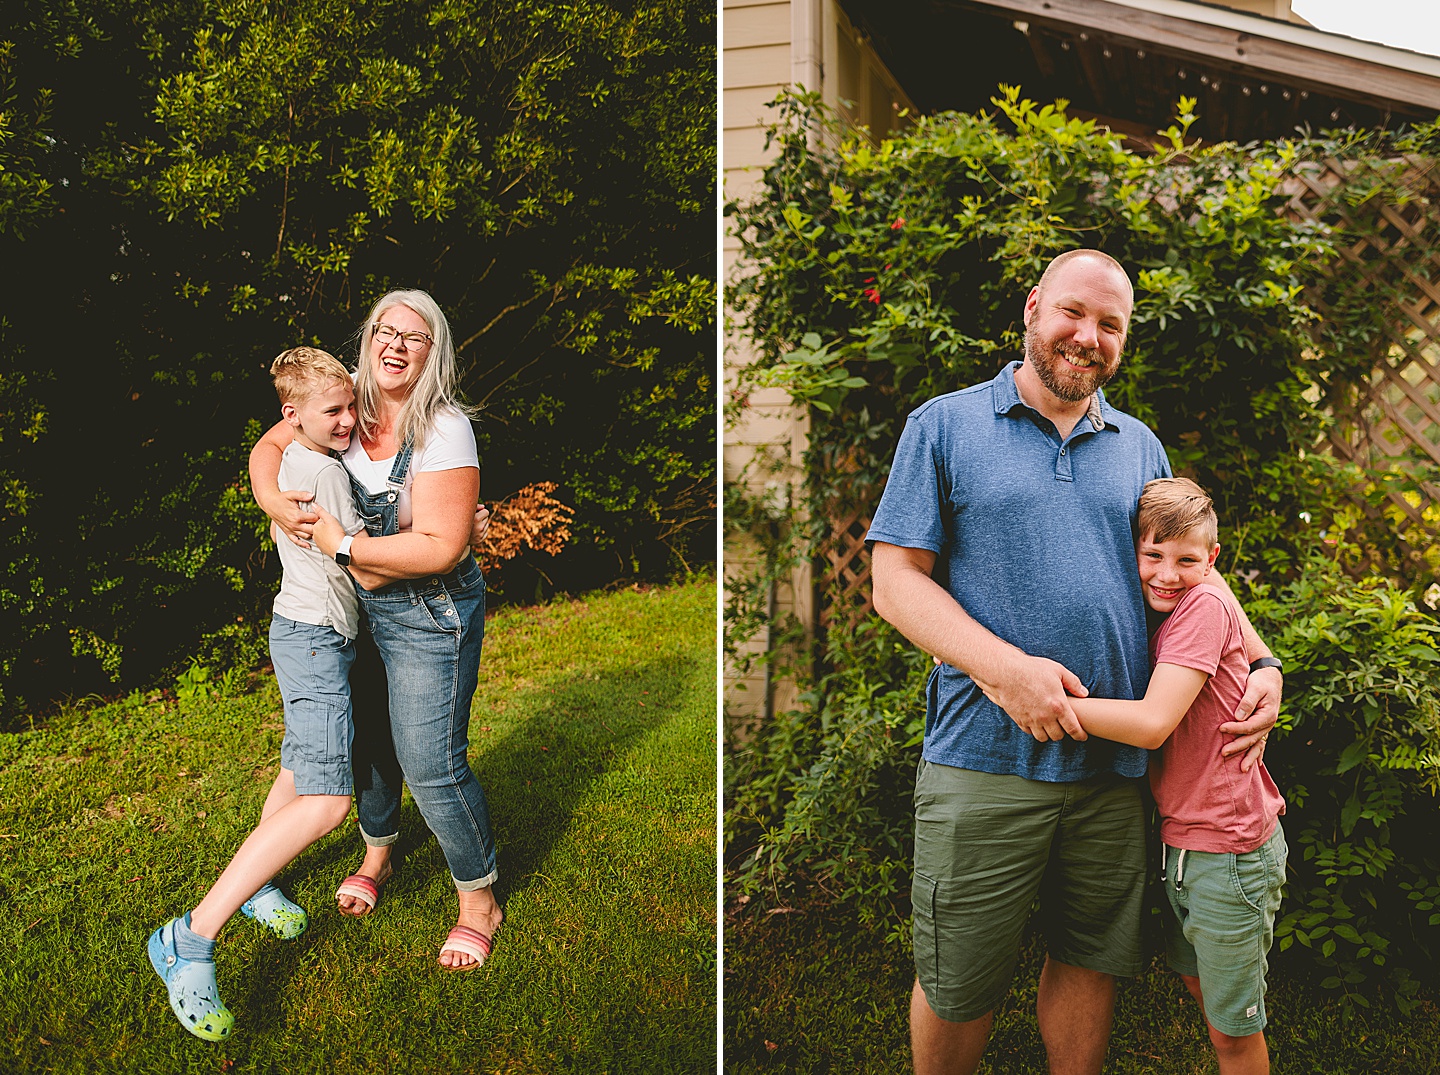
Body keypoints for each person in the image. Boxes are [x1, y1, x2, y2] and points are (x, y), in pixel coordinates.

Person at [866, 249, 1283, 1075]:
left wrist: (1263, 661)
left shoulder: (1138, 444)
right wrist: (1005, 670)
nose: (1087, 337)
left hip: (1115, 773)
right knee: (961, 978)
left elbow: (1195, 564)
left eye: (1109, 325)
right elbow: (894, 581)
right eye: (1073, 313)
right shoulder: (944, 426)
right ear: (1032, 308)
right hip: (984, 759)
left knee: (1090, 956)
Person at [249, 288, 501, 971]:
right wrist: (270, 496)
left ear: (432, 353)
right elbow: (272, 440)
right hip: (358, 611)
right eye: (385, 330)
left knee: (432, 764)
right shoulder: (344, 397)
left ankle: (478, 898)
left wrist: (346, 551)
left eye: (413, 336)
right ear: (368, 339)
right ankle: (379, 853)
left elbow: (442, 546)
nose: (395, 344)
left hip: (427, 612)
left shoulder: (445, 426)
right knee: (368, 748)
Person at [147, 346, 368, 1041]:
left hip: (306, 630)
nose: (348, 419)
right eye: (335, 410)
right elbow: (370, 569)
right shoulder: (317, 477)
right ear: (294, 413)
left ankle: (259, 884)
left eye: (351, 405)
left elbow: (270, 445)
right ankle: (191, 935)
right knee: (329, 800)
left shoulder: (297, 455)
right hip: (315, 639)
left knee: (301, 771)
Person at [1070, 477, 1286, 1075]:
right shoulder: (1179, 606)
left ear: (1212, 560)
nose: (1166, 573)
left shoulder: (1204, 608)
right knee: (1204, 995)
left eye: (1186, 560)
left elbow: (1151, 724)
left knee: (1233, 1034)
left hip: (1229, 850)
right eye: (1153, 556)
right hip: (1187, 844)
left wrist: (1025, 695)